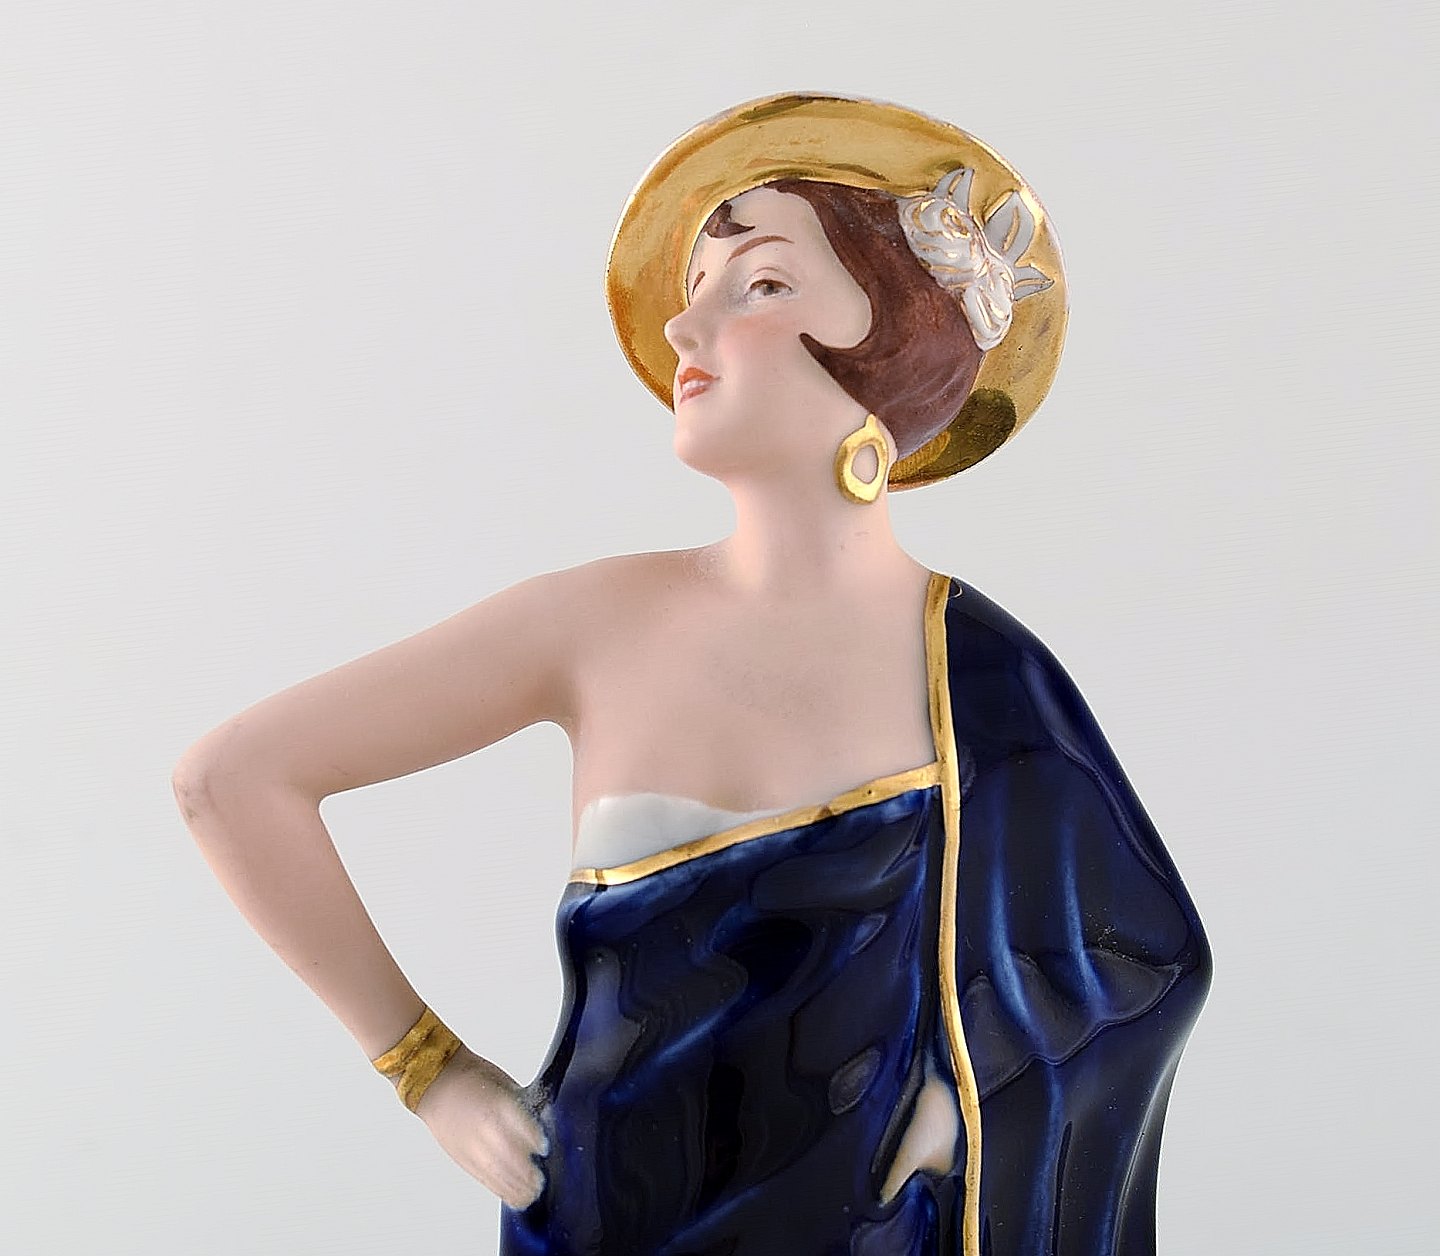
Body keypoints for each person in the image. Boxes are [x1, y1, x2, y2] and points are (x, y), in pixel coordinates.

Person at [172, 94, 1210, 1255]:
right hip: (602, 1212)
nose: (683, 324)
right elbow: (234, 778)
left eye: (759, 282)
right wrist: (431, 1070)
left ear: (895, 337)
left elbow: (1142, 957)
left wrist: (964, 1107)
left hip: (868, 1228)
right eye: (696, 285)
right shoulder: (590, 622)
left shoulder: (976, 669)